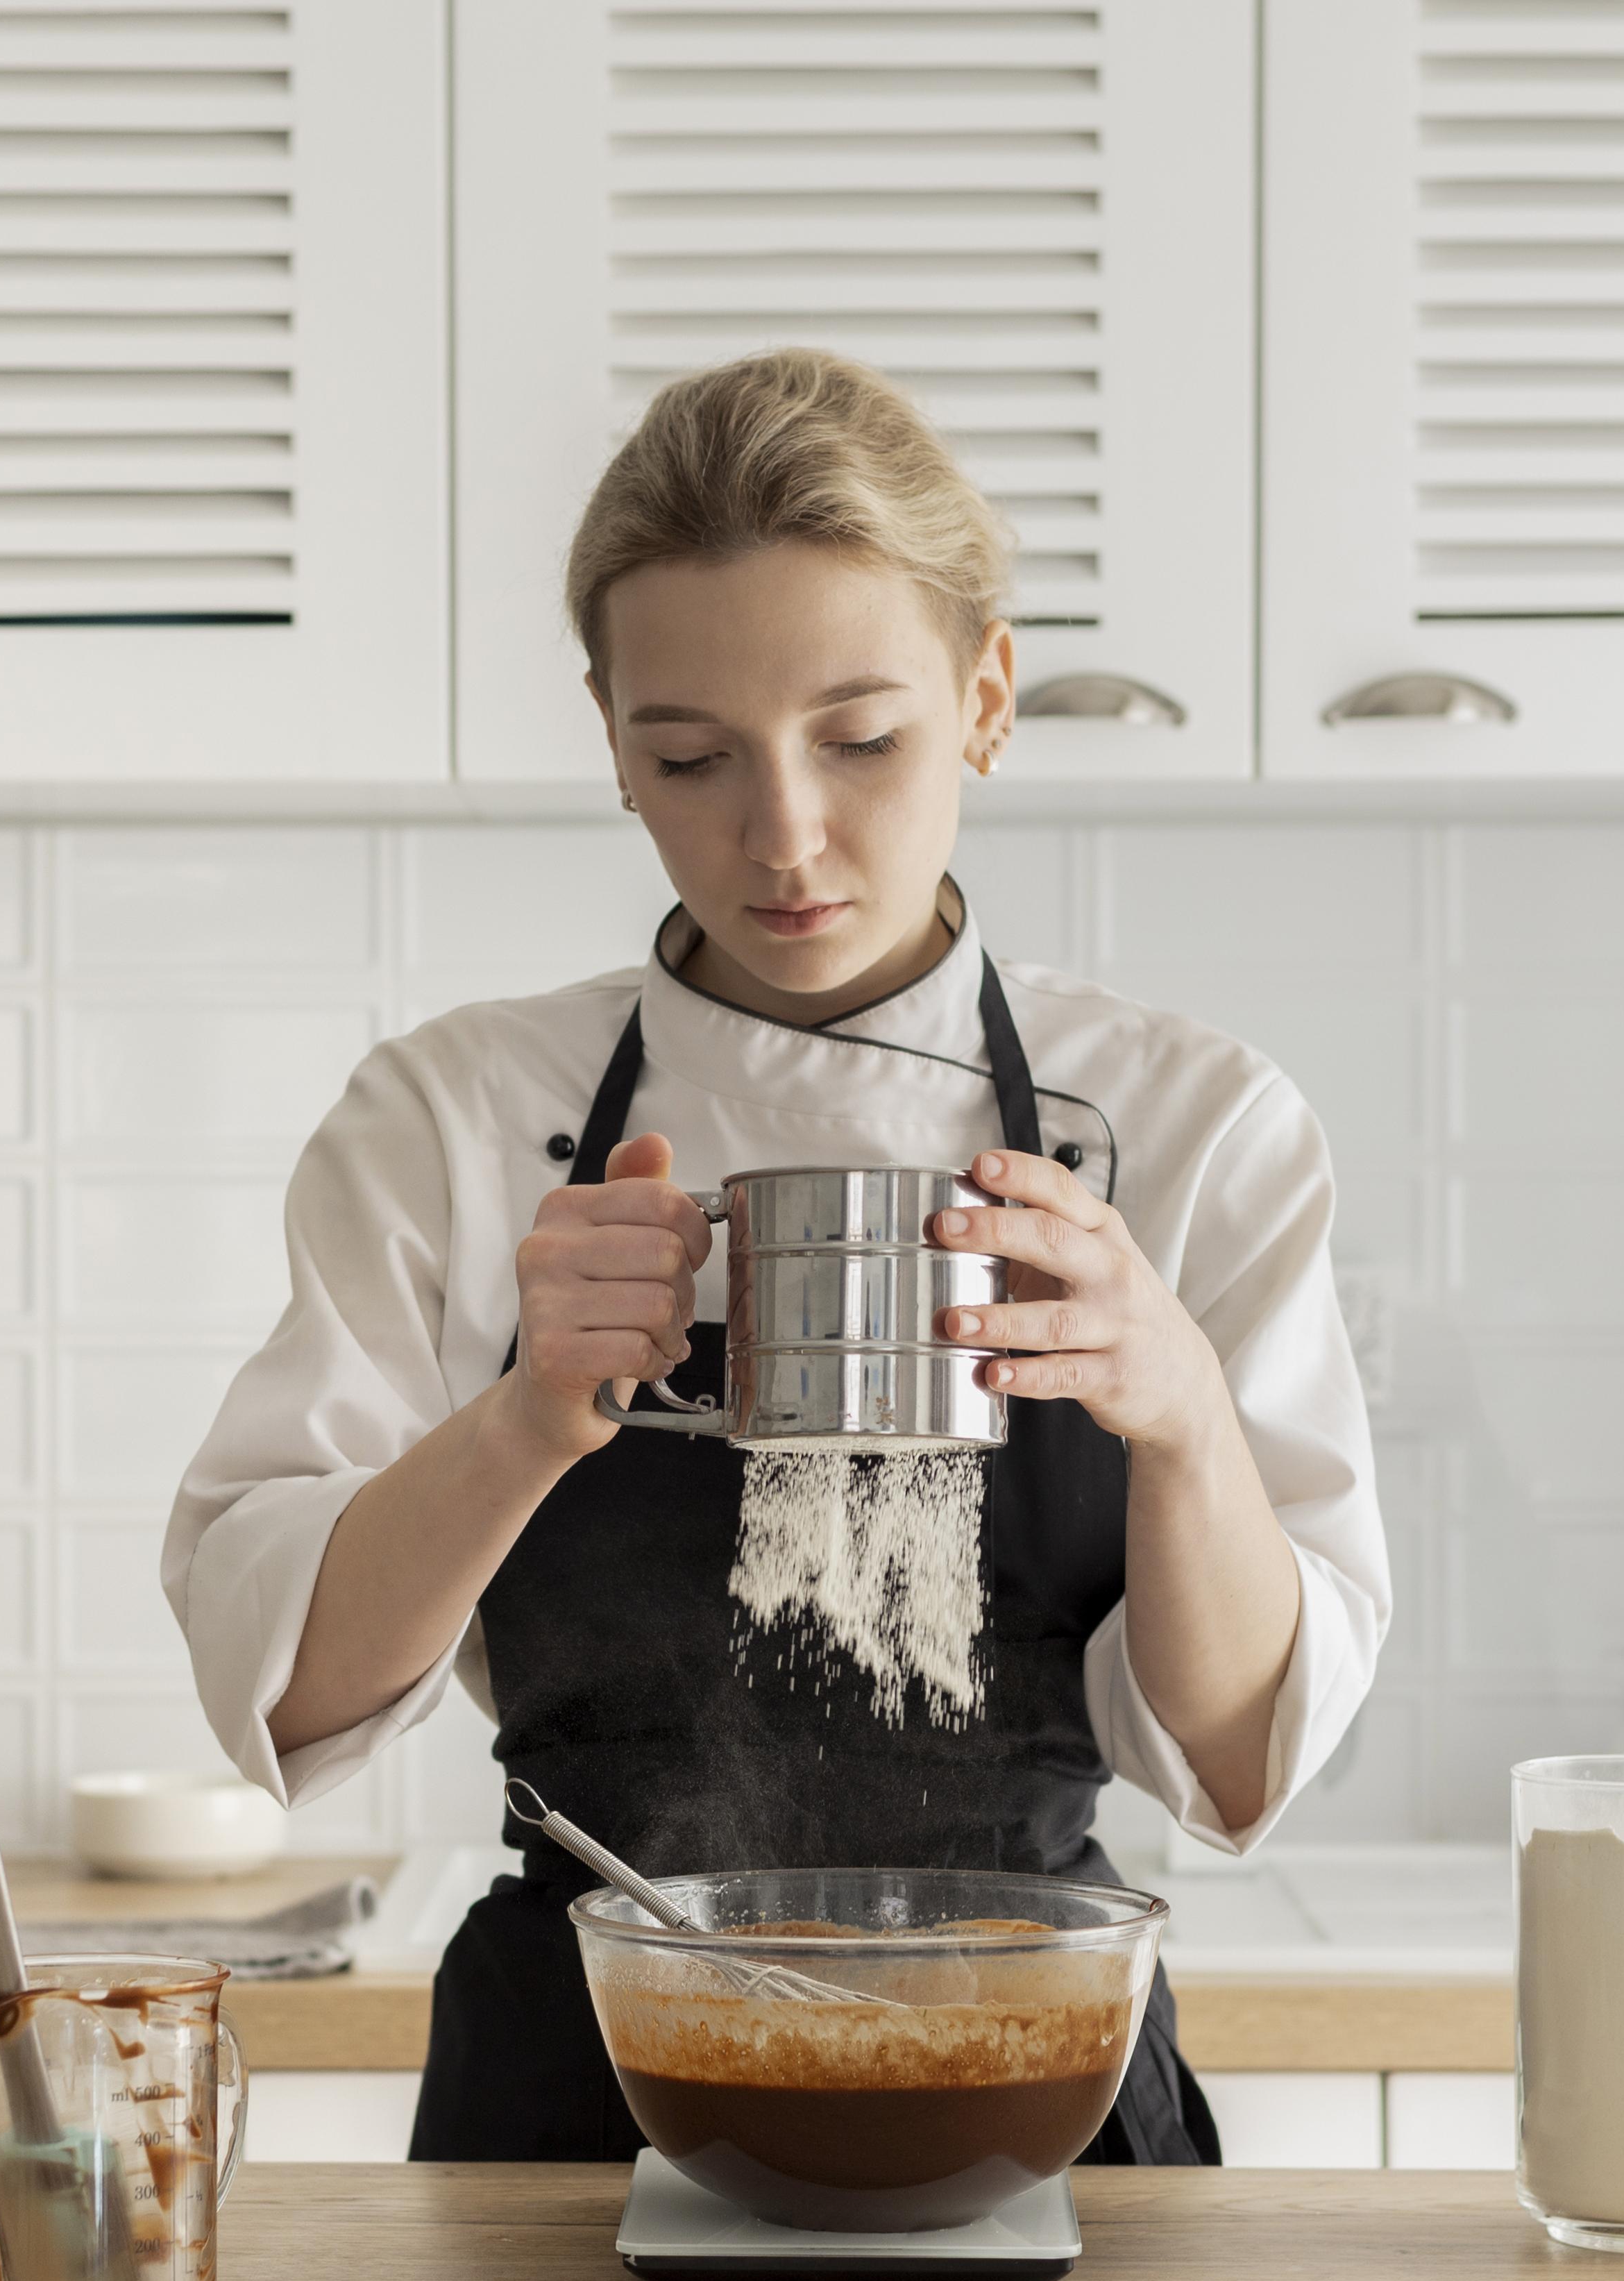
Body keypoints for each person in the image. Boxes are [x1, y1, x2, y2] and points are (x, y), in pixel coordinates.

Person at [164, 348, 1387, 2166]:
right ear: (609, 738)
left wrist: (1186, 1420)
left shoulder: (1189, 1122)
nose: (784, 836)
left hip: (1031, 2052)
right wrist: (524, 1418)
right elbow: (292, 1695)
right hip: (578, 2078)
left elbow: (1227, 1764)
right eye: (689, 756)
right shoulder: (450, 1115)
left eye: (861, 739)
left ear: (985, 696)